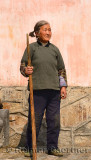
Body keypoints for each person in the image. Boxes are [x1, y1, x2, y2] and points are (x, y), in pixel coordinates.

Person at [20, 20, 67, 157]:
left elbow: (61, 69)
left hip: (54, 91)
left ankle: (52, 147)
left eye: (50, 30)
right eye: (45, 30)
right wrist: (26, 70)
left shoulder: (54, 49)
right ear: (37, 33)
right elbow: (22, 66)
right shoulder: (31, 48)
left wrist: (63, 86)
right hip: (37, 91)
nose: (48, 32)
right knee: (35, 120)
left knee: (54, 120)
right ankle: (30, 148)